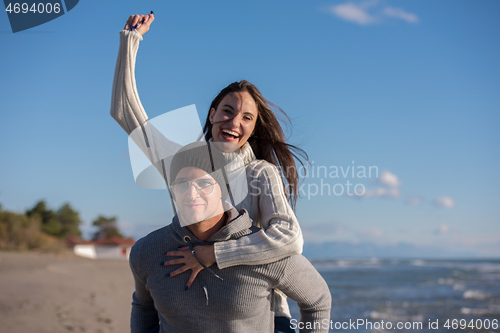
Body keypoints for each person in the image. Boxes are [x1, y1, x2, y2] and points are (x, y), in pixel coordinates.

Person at [111, 13, 310, 332]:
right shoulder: (178, 163)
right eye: (228, 111)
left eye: (247, 117)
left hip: (260, 312)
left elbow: (290, 238)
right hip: (190, 307)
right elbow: (124, 111)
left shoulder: (261, 173)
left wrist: (215, 252)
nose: (235, 122)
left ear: (253, 128)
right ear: (213, 113)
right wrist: (130, 39)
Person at [129, 141, 331, 333]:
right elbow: (143, 306)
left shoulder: (262, 250)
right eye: (182, 184)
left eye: (203, 183)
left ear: (223, 188)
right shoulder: (146, 251)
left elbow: (317, 301)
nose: (191, 193)